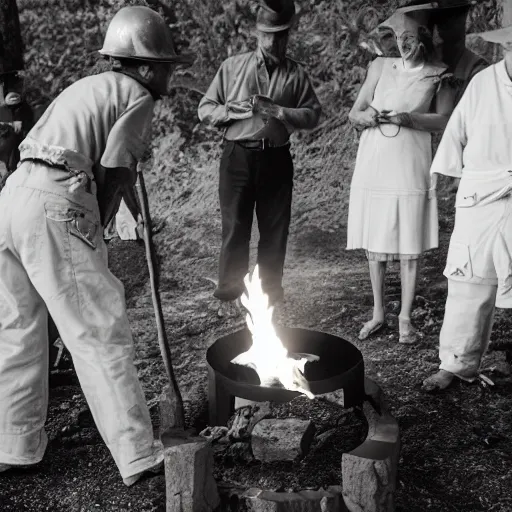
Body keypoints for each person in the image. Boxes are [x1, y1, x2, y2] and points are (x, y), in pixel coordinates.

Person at [0, 6, 193, 486]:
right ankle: (138, 453)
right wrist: (100, 227)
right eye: (166, 65)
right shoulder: (137, 94)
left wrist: (121, 214)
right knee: (97, 328)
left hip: (13, 200)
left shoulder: (87, 88)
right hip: (55, 204)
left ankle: (13, 446)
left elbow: (108, 162)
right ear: (145, 66)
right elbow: (114, 171)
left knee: (19, 330)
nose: (168, 74)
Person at [198, 0, 322, 315]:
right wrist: (236, 110)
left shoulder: (296, 73)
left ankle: (268, 295)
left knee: (275, 228)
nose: (275, 42)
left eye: (281, 35)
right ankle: (229, 294)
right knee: (235, 225)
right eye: (269, 35)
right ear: (258, 32)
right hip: (237, 158)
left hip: (277, 160)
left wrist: (280, 111)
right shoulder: (232, 67)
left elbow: (312, 115)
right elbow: (206, 110)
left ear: (289, 33)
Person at [346, 5, 456, 344]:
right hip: (375, 158)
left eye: (409, 37)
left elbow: (446, 120)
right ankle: (379, 312)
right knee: (376, 240)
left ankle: (405, 316)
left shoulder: (440, 74)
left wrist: (413, 120)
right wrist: (366, 118)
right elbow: (355, 111)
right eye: (398, 37)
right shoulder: (380, 66)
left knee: (409, 240)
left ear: (422, 37)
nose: (403, 43)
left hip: (410, 160)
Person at [422, 21, 512, 392]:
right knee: (467, 279)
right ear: (506, 45)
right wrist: (444, 179)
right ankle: (457, 364)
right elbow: (455, 134)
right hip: (481, 194)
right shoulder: (484, 83)